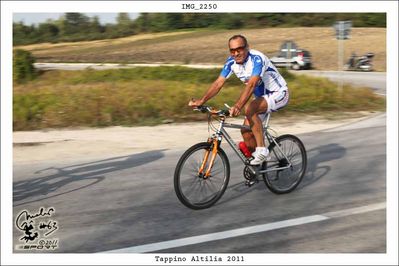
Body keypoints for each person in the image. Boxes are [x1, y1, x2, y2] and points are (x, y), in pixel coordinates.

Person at [189, 34, 289, 165]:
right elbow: (218, 83)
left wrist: (237, 106)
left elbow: (252, 84)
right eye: (232, 50)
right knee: (246, 131)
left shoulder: (257, 59)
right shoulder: (231, 62)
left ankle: (262, 150)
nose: (236, 53)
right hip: (261, 98)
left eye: (239, 49)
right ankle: (259, 165)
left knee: (250, 109)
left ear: (247, 47)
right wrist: (202, 101)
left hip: (279, 94)